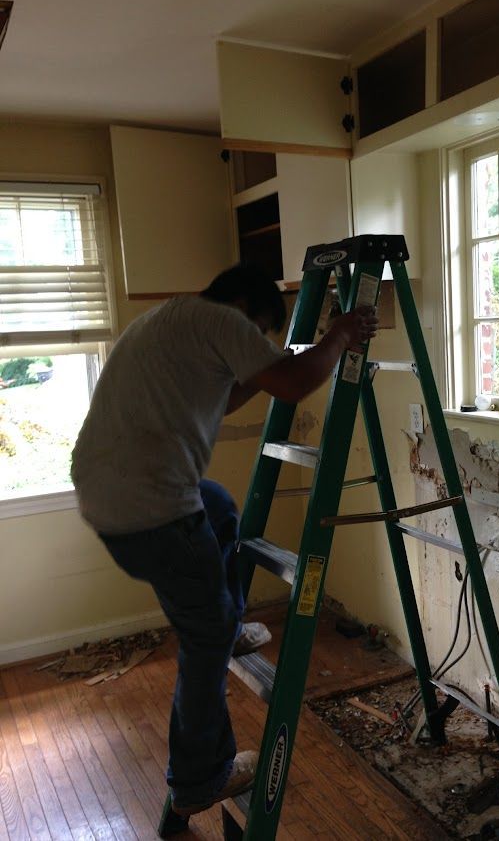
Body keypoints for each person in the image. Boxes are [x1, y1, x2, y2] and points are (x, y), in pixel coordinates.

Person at [71, 263, 378, 817]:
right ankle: (197, 780)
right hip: (154, 512)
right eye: (260, 330)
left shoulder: (172, 317)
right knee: (204, 643)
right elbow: (290, 381)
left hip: (109, 502)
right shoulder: (222, 318)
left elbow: (231, 393)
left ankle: (227, 625)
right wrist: (341, 335)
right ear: (244, 307)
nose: (257, 340)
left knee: (217, 506)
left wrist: (269, 366)